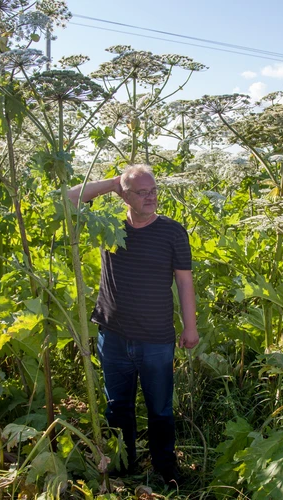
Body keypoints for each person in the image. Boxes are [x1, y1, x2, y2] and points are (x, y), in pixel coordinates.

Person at [67, 164, 199, 486]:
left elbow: (184, 282)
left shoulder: (172, 231)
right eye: (141, 192)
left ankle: (166, 469)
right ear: (124, 195)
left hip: (156, 339)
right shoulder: (107, 226)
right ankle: (123, 465)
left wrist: (190, 327)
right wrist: (113, 182)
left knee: (161, 410)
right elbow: (68, 200)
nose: (151, 197)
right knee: (118, 409)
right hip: (112, 337)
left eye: (153, 190)